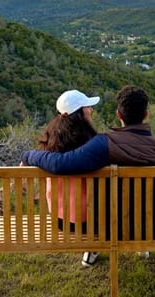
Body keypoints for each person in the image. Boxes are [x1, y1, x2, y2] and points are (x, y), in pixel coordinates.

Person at [21, 85, 155, 265]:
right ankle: (140, 242)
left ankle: (95, 249)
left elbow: (61, 163)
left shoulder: (105, 144)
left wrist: (28, 156)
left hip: (114, 226)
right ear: (146, 115)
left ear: (118, 115)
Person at [34, 89, 100, 266]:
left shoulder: (49, 145)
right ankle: (94, 247)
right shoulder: (90, 145)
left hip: (60, 220)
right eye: (87, 107)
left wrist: (28, 156)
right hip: (90, 222)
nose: (91, 110)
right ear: (79, 113)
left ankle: (92, 249)